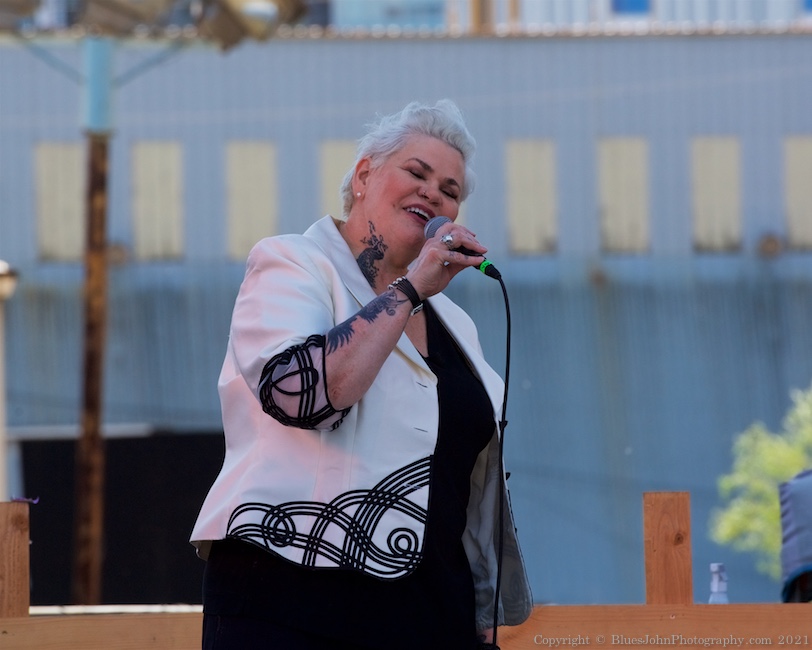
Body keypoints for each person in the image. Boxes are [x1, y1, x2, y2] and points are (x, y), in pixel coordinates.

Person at [190, 99, 533, 649]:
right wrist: (411, 289)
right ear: (364, 175)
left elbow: (461, 480)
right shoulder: (293, 264)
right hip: (293, 603)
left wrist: (481, 601)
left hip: (430, 612)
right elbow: (302, 396)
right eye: (417, 173)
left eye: (449, 190)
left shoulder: (456, 325)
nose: (433, 194)